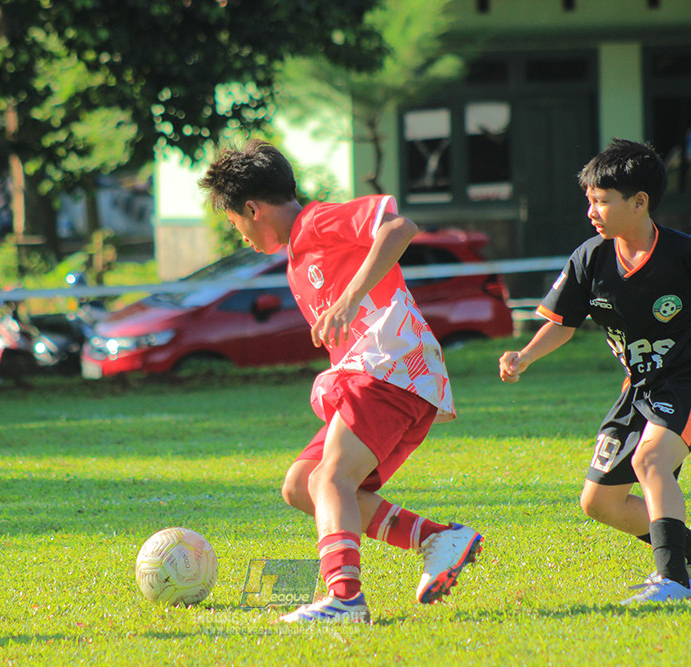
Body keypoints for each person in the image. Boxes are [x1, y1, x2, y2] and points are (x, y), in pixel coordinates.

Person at [199, 140, 483, 623]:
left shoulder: (315, 221)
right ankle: (438, 539)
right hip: (376, 374)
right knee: (302, 485)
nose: (239, 234)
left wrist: (349, 298)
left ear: (252, 209)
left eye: (234, 222)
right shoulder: (295, 256)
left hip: (390, 365)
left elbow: (399, 227)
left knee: (331, 479)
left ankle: (345, 599)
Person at [499, 139, 691, 604]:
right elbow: (562, 323)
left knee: (650, 462)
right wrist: (525, 356)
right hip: (638, 385)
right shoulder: (590, 258)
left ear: (639, 202)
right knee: (599, 502)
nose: (591, 211)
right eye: (589, 200)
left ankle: (674, 582)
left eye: (601, 201)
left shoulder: (685, 253)